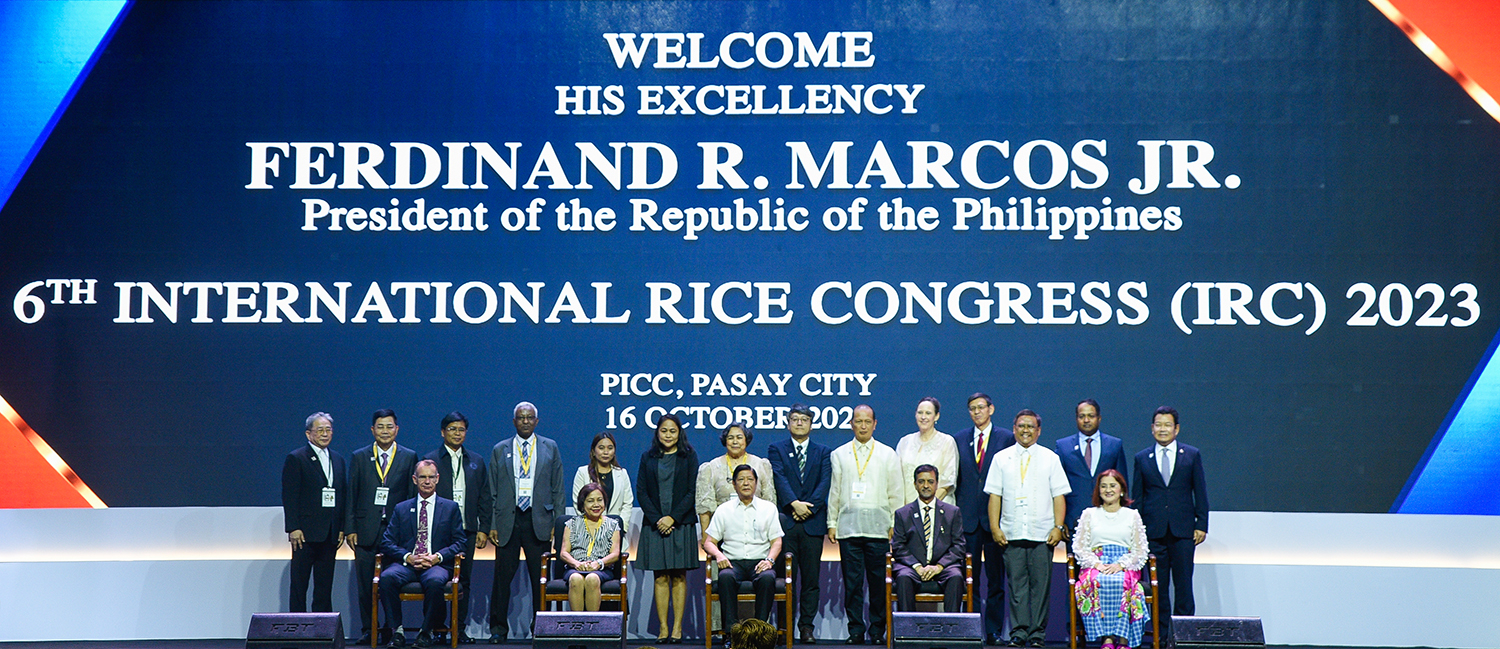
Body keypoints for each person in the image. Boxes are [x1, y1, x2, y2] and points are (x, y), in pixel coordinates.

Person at [984, 409, 1070, 648]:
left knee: (1040, 588)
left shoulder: (1050, 458)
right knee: (1016, 586)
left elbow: (1059, 496)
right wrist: (995, 527)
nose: (1025, 430)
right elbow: (995, 496)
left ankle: (1037, 635)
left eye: (1031, 426)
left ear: (1038, 431)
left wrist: (1058, 527)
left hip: (1043, 533)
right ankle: (1019, 632)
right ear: (1014, 429)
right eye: (1021, 426)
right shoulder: (1001, 458)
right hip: (1011, 532)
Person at [486, 402, 565, 643]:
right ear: (514, 422)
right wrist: (491, 524)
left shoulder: (550, 447)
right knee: (501, 579)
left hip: (538, 519)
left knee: (539, 579)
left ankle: (541, 626)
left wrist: (558, 524)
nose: (526, 421)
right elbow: (492, 491)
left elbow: (558, 489)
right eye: (521, 418)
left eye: (530, 417)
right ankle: (499, 630)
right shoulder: (501, 449)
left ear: (537, 421)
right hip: (507, 521)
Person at [827, 405, 903, 646]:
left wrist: (894, 522)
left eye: (867, 421)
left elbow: (896, 492)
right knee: (852, 584)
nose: (862, 426)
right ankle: (856, 630)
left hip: (879, 529)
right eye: (858, 421)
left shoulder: (887, 454)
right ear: (851, 424)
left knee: (879, 584)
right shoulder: (839, 454)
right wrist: (831, 522)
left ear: (874, 424)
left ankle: (878, 630)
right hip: (848, 528)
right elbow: (835, 491)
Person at [1131, 406, 1209, 640]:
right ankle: (1162, 637)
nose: (1162, 429)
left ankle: (1184, 636)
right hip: (1153, 533)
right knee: (1159, 588)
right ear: (1152, 428)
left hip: (1184, 530)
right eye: (1158, 424)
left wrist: (1201, 524)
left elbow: (1200, 491)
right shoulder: (1142, 458)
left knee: (1184, 586)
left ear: (1176, 429)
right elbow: (1138, 497)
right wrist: (1138, 531)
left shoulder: (1191, 455)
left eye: (1167, 425)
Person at [347, 409, 419, 646]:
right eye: (380, 427)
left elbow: (412, 498)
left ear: (397, 429)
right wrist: (350, 529)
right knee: (366, 585)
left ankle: (392, 628)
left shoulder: (409, 457)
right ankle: (369, 629)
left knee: (391, 583)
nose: (385, 431)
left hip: (397, 534)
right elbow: (351, 495)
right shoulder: (359, 456)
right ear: (372, 430)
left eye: (389, 427)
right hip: (366, 531)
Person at [379, 460, 466, 648]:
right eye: (423, 477)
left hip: (436, 564)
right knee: (386, 578)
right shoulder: (402, 508)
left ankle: (426, 632)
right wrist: (408, 557)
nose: (427, 481)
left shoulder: (450, 507)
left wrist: (437, 557)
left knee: (435, 582)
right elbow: (386, 542)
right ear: (414, 479)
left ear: (437, 479)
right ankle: (397, 632)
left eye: (431, 477)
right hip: (407, 564)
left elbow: (460, 542)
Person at [767, 404, 832, 644]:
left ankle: (806, 627)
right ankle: (785, 628)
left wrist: (808, 507)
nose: (799, 423)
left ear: (811, 424)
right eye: (794, 419)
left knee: (811, 581)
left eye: (804, 419)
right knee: (786, 579)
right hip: (787, 523)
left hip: (813, 524)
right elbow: (779, 478)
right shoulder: (777, 449)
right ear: (788, 423)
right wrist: (794, 503)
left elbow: (825, 482)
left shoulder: (823, 451)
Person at [951, 393, 1012, 645]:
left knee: (996, 581)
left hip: (995, 521)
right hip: (968, 520)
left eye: (980, 408)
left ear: (991, 409)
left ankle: (994, 631)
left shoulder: (1006, 438)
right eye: (972, 409)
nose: (976, 412)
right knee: (970, 579)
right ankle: (971, 629)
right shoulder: (958, 439)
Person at [425, 411, 491, 644]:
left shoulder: (476, 461)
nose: (457, 433)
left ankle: (458, 628)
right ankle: (436, 628)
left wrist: (483, 528)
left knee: (463, 580)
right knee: (435, 580)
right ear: (443, 432)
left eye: (461, 429)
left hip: (468, 530)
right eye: (452, 429)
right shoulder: (431, 460)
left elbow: (485, 496)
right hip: (438, 532)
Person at [636, 413, 700, 643]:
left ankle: (677, 629)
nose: (668, 435)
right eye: (664, 430)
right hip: (655, 526)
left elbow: (693, 491)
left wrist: (672, 518)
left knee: (679, 577)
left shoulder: (689, 457)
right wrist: (658, 520)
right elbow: (641, 492)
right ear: (657, 432)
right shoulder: (648, 457)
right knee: (661, 577)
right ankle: (663, 628)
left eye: (673, 431)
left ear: (679, 433)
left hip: (680, 524)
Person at [1072, 470, 1150, 649]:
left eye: (1112, 485)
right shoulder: (1089, 514)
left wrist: (1121, 565)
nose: (1108, 490)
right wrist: (1097, 564)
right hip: (1096, 563)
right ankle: (1107, 638)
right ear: (1098, 490)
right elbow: (1079, 547)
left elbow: (1140, 549)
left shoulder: (1132, 515)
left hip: (1124, 563)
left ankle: (1123, 640)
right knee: (1099, 581)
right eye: (1103, 486)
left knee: (1124, 582)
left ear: (1121, 490)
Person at [703, 464, 785, 636]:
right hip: (734, 563)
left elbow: (777, 541)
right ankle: (732, 634)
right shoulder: (724, 509)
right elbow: (709, 542)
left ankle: (760, 633)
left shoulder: (768, 508)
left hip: (760, 562)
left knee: (768, 579)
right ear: (734, 484)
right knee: (725, 577)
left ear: (756, 484)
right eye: (741, 479)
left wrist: (769, 560)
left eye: (750, 479)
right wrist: (719, 555)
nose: (746, 483)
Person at [282, 412, 347, 614]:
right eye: (320, 430)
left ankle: (322, 628)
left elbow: (342, 495)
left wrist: (341, 528)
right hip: (305, 534)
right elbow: (290, 495)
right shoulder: (297, 458)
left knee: (324, 587)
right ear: (309, 434)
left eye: (328, 429)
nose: (325, 434)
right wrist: (293, 527)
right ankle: (297, 627)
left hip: (330, 533)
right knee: (300, 585)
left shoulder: (338, 459)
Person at [890, 465, 966, 612]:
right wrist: (917, 566)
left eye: (930, 481)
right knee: (903, 577)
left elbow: (959, 546)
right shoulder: (903, 514)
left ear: (937, 484)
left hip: (943, 567)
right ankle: (907, 632)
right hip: (911, 567)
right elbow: (898, 546)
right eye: (921, 481)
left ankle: (951, 631)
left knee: (956, 577)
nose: (926, 486)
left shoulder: (952, 512)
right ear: (915, 484)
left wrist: (939, 566)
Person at [1056, 400, 1129, 544]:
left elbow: (1122, 483)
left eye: (1091, 416)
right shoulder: (1063, 446)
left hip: (1109, 519)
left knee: (1108, 565)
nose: (1086, 420)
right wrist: (1060, 521)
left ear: (1099, 418)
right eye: (1081, 416)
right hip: (1073, 520)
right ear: (1076, 419)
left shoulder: (1114, 445)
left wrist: (1124, 517)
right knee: (1076, 566)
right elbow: (1057, 487)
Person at [699, 423, 776, 532]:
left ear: (746, 440)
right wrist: (705, 535)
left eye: (739, 438)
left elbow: (769, 501)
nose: (735, 441)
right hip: (723, 528)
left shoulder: (761, 465)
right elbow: (705, 507)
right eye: (730, 438)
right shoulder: (711, 467)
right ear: (725, 441)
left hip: (757, 528)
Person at [560, 482, 623, 612]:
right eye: (590, 501)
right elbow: (564, 552)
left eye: (600, 500)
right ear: (583, 504)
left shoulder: (613, 525)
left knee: (592, 578)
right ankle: (578, 627)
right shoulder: (571, 523)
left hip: (601, 569)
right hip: (575, 567)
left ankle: (592, 628)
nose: (596, 505)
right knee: (576, 579)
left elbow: (615, 554)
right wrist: (576, 563)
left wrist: (598, 563)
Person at [895, 397, 959, 505]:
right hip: (908, 510)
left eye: (928, 413)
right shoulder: (904, 442)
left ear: (936, 416)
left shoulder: (947, 442)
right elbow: (896, 479)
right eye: (920, 413)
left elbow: (947, 482)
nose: (923, 417)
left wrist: (925, 508)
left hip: (938, 509)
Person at [571, 431, 634, 518]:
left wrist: (620, 527)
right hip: (590, 527)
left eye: (610, 448)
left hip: (616, 528)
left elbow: (627, 503)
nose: (606, 452)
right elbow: (578, 502)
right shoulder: (583, 472)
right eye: (601, 448)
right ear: (593, 451)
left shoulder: (622, 473)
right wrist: (590, 525)